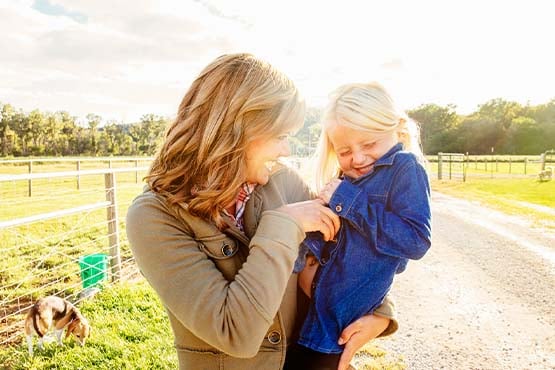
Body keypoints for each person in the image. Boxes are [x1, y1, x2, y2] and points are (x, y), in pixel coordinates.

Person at [126, 53, 397, 370]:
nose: (285, 150)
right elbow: (235, 334)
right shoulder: (154, 217)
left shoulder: (283, 183)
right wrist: (284, 225)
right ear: (238, 130)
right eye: (280, 136)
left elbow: (347, 257)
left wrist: (381, 313)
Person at [284, 82, 432, 370]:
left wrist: (349, 201)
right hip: (310, 310)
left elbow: (415, 240)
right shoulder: (348, 177)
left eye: (369, 144)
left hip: (336, 322)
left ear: (397, 129)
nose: (358, 158)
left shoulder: (405, 168)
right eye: (344, 150)